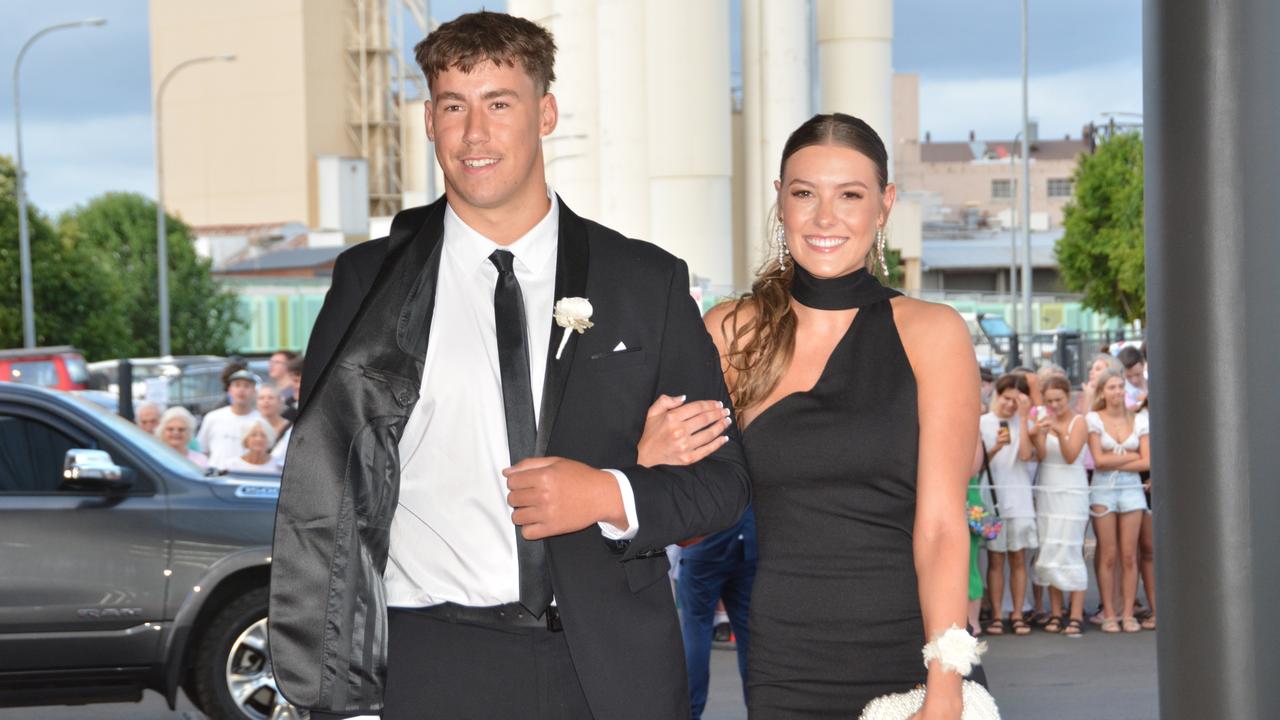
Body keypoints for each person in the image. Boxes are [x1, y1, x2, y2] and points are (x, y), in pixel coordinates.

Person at [268, 12, 750, 720]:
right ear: (428, 121)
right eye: (453, 107)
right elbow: (326, 486)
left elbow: (722, 483)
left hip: (608, 673)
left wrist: (611, 493)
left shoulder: (642, 280)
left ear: (545, 112)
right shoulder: (367, 283)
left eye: (500, 103)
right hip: (428, 663)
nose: (475, 134)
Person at [700, 113, 980, 718]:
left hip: (909, 654)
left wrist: (947, 683)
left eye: (850, 195)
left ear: (885, 205)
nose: (826, 218)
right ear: (781, 202)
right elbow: (693, 502)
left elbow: (940, 528)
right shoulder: (732, 333)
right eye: (805, 194)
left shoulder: (933, 334)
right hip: (784, 658)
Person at [674, 508, 756, 719]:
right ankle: (759, 709)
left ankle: (691, 712)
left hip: (705, 538)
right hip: (748, 539)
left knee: (696, 632)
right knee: (751, 638)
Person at [1086, 369, 1150, 633]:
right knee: (1108, 553)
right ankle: (1109, 612)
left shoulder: (1139, 419)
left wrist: (1119, 459)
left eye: (1120, 387)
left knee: (1129, 554)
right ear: (1102, 392)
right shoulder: (1093, 419)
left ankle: (1128, 612)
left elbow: (1146, 460)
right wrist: (1130, 457)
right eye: (1112, 387)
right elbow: (1098, 461)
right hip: (1103, 488)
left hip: (1132, 488)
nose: (1117, 392)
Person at [1029, 375, 1090, 637]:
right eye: (1050, 400)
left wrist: (1057, 430)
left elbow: (1070, 455)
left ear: (1069, 397)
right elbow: (1041, 455)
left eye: (1059, 400)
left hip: (1072, 489)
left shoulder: (1079, 422)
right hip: (1048, 488)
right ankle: (1056, 612)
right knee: (1050, 546)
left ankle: (1075, 614)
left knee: (1070, 548)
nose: (1054, 405)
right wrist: (1037, 434)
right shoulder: (1042, 417)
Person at [980, 373, 1037, 637]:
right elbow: (975, 465)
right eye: (1006, 398)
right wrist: (993, 449)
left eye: (1016, 401)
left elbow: (1026, 454)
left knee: (1018, 558)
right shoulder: (982, 424)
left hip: (1020, 500)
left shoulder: (1023, 423)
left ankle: (1017, 613)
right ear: (996, 395)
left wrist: (1024, 418)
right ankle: (996, 614)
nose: (1010, 405)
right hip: (991, 502)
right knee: (995, 558)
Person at [196, 368, 263, 469]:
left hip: (248, 477)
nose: (241, 390)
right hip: (217, 478)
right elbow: (201, 450)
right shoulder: (213, 417)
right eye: (237, 385)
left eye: (246, 386)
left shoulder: (261, 421)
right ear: (230, 390)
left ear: (254, 391)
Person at [1118, 345, 1147, 409]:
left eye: (1138, 374)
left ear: (1143, 365)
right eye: (1128, 376)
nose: (1134, 380)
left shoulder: (1155, 384)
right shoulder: (1119, 391)